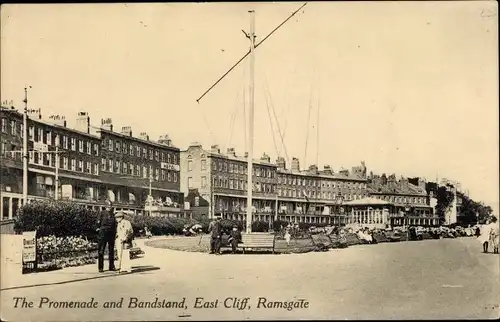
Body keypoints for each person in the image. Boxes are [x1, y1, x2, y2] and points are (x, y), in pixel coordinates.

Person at [97, 200, 117, 273]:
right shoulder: (102, 213)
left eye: (111, 206)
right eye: (108, 206)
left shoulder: (113, 214)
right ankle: (100, 267)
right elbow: (98, 224)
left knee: (111, 251)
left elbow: (115, 225)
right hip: (103, 234)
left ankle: (111, 266)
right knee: (101, 251)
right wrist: (99, 231)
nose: (110, 207)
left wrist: (115, 233)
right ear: (105, 206)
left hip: (111, 234)